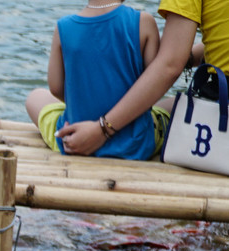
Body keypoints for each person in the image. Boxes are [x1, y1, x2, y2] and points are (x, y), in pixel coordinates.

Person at [57, 1, 229, 168]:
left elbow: (169, 65)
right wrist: (189, 57)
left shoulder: (64, 26)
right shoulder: (140, 22)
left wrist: (102, 129)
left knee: (163, 107)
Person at [24, 2, 173, 160]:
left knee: (35, 96)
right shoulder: (144, 22)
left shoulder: (63, 27)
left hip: (73, 138)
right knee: (175, 103)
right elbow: (154, 87)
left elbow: (56, 88)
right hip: (135, 145)